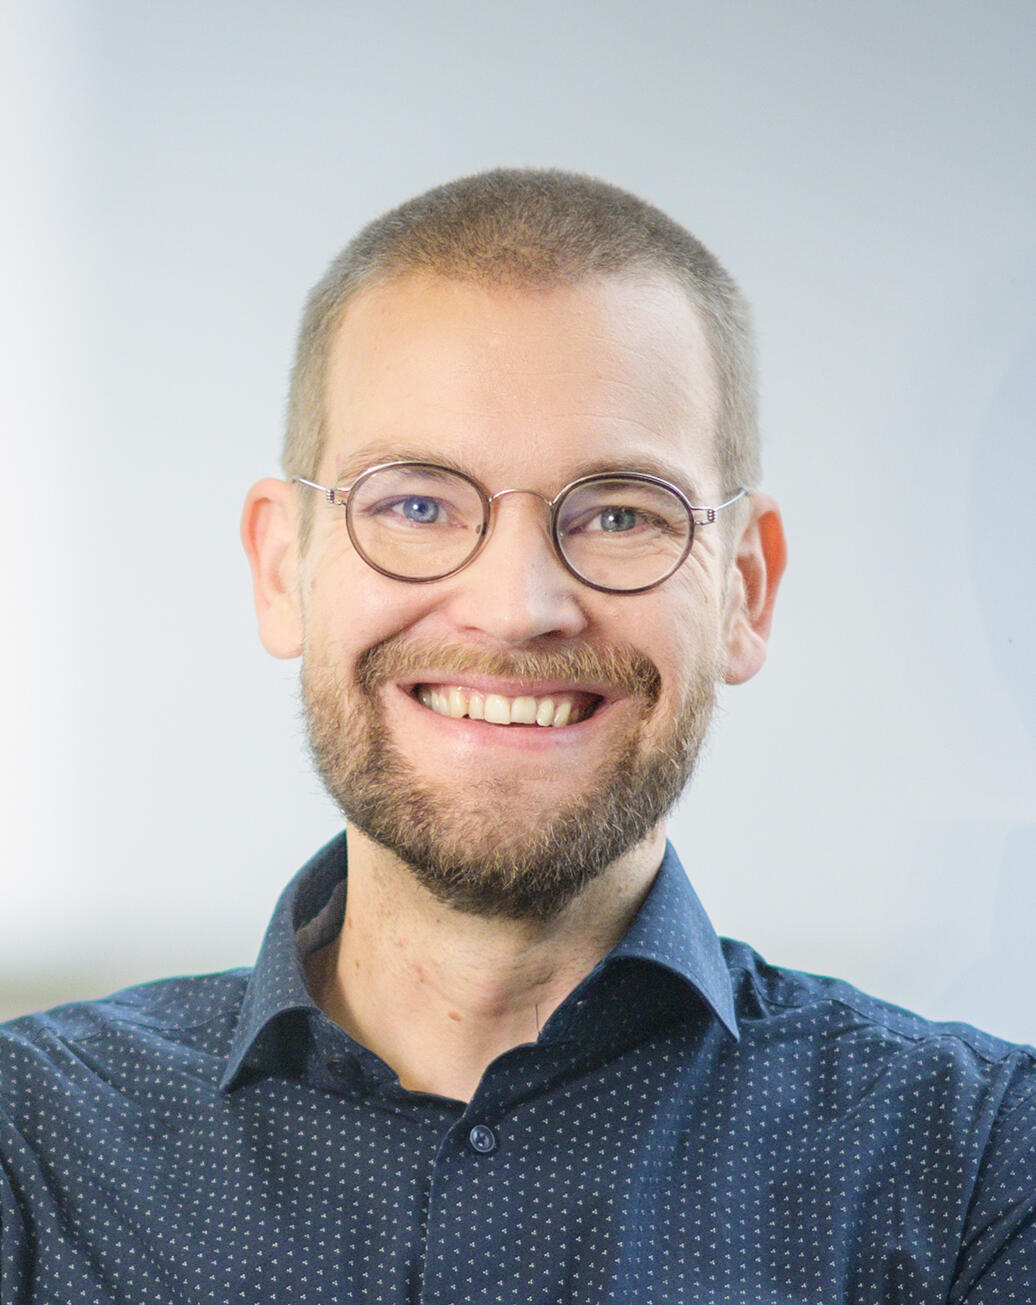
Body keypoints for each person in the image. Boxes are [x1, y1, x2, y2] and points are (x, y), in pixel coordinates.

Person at [1, 169, 1033, 1303]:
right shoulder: (28, 1151)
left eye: (621, 514)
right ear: (280, 567)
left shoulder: (980, 1171)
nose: (515, 606)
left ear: (743, 591)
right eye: (416, 505)